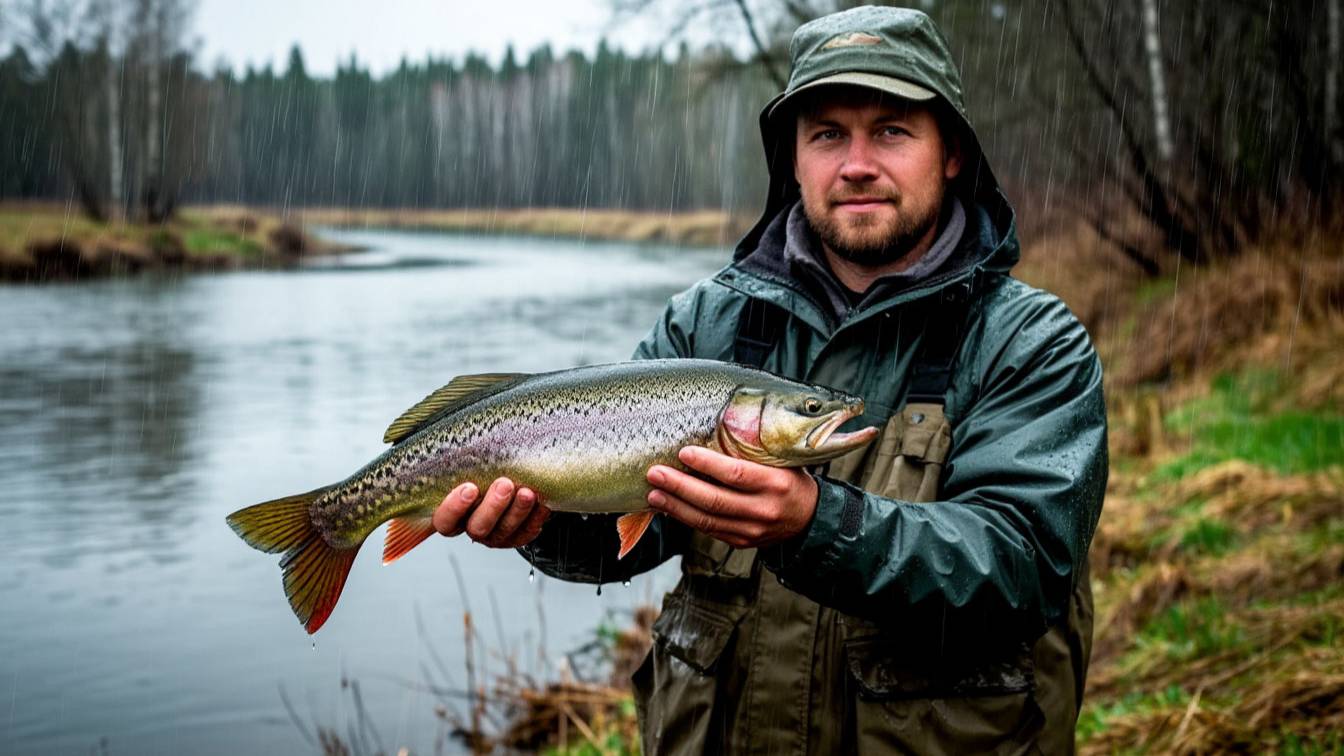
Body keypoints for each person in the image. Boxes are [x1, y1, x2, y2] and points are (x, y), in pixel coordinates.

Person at [431, 6, 1107, 753]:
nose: (857, 163)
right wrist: (542, 525)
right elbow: (631, 538)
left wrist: (817, 525)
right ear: (792, 158)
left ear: (951, 152)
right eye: (827, 134)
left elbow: (1023, 567)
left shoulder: (1031, 342)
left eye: (891, 130)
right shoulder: (704, 325)